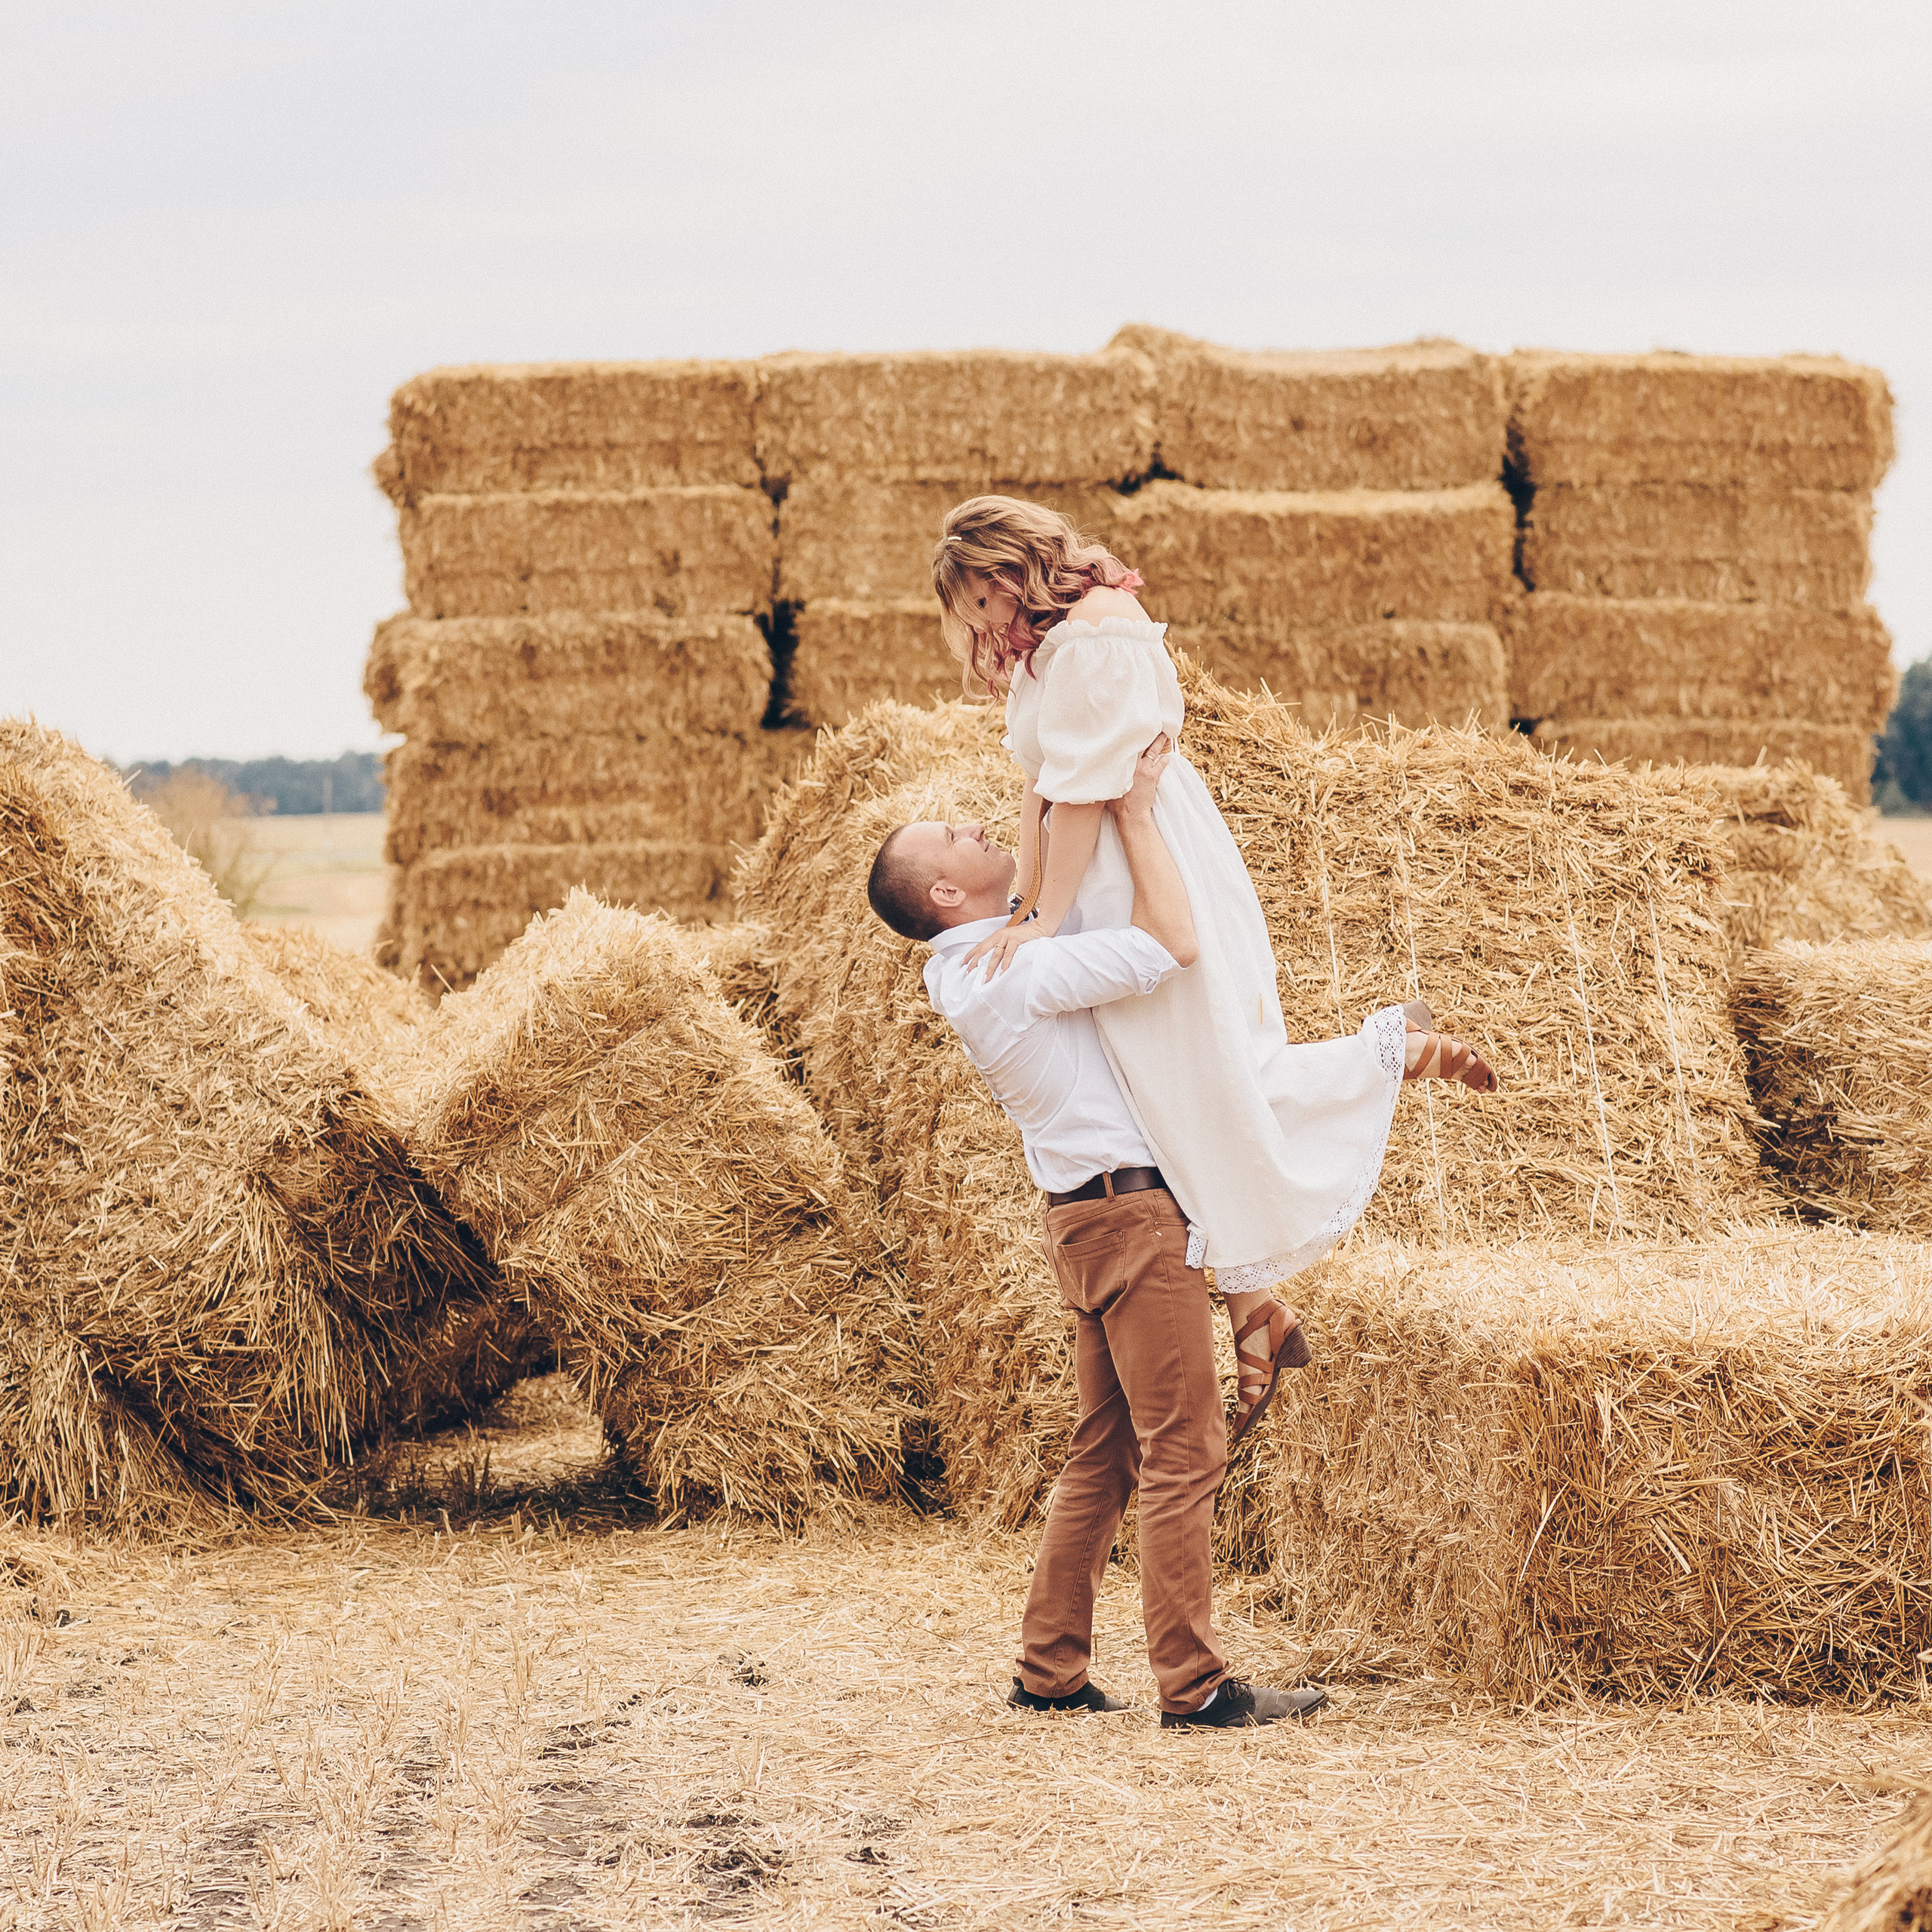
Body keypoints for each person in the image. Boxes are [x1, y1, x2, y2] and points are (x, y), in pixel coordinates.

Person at [930, 496, 1496, 1441]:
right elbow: (1037, 793)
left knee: (1209, 1077)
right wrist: (1029, 909)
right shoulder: (1051, 650)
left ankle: (1389, 1051)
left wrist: (1049, 919)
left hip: (1144, 870)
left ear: (1000, 574)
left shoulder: (1097, 638)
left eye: (972, 605)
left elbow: (1087, 792)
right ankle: (1255, 1306)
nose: (979, 629)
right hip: (1096, 879)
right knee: (1170, 1101)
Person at [866, 737, 1323, 1727]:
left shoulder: (983, 959)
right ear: (945, 893)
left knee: (1105, 1447)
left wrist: (1048, 785)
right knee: (1184, 1442)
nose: (977, 826)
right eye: (956, 835)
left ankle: (1050, 1667)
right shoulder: (1011, 971)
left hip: (1087, 1220)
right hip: (1132, 1218)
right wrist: (1135, 813)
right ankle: (1195, 1685)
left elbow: (1036, 892)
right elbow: (1171, 943)